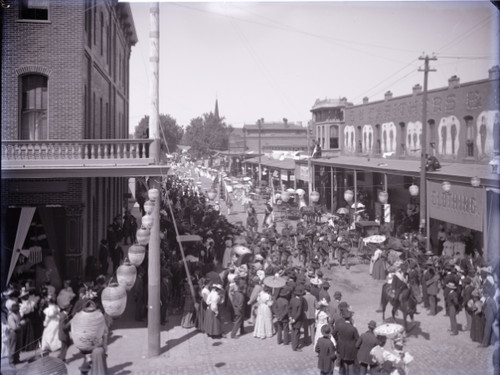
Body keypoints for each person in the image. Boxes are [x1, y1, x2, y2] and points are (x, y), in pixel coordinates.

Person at [332, 309, 359, 375]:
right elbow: (357, 339)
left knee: (343, 363)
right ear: (350, 319)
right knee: (351, 363)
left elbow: (333, 333)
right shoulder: (353, 328)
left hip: (341, 347)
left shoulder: (339, 326)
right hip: (351, 349)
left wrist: (338, 339)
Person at [289, 285, 306, 352]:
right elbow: (299, 313)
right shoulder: (300, 302)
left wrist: (290, 317)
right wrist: (295, 319)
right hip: (297, 320)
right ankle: (295, 347)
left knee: (293, 331)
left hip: (292, 317)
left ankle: (293, 344)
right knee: (297, 333)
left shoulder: (292, 299)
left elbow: (289, 309)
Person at [6, 300, 23, 366]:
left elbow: (20, 319)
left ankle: (17, 359)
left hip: (18, 332)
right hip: (13, 333)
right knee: (12, 347)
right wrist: (21, 324)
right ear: (12, 308)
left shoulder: (17, 313)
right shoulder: (10, 316)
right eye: (16, 307)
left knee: (18, 346)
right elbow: (14, 327)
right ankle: (11, 362)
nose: (18, 308)